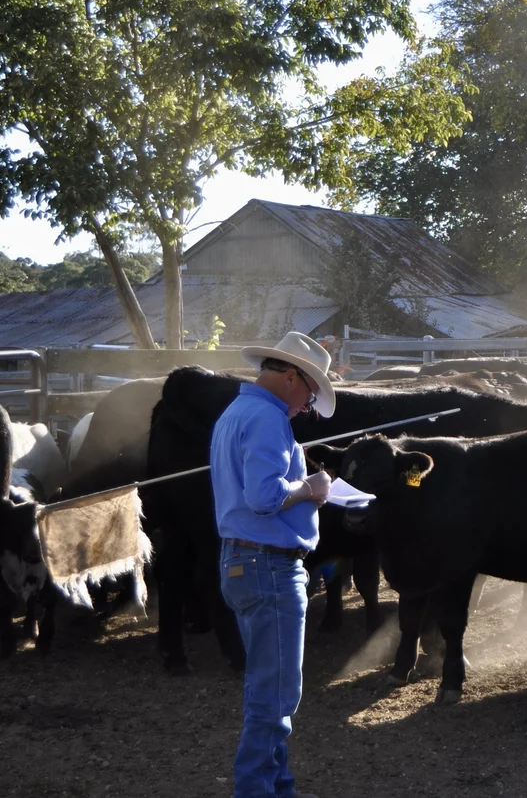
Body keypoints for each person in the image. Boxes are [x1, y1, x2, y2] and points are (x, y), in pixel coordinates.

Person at [212, 331, 337, 798]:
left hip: (242, 560)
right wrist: (312, 489)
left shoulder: (235, 412)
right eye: (309, 393)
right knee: (275, 696)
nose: (307, 406)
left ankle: (276, 787)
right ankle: (259, 791)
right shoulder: (266, 419)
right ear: (290, 377)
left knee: (270, 688)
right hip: (269, 566)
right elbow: (264, 497)